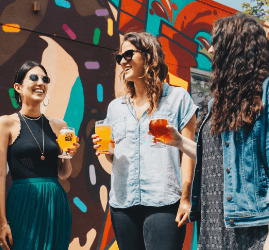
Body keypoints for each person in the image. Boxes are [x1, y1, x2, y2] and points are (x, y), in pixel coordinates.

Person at [154, 13, 269, 250]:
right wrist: (178, 141)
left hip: (249, 230)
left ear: (235, 46)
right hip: (213, 222)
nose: (211, 50)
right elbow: (217, 160)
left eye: (216, 43)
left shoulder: (264, 94)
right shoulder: (220, 102)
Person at [92, 32, 198, 250]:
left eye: (129, 54)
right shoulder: (115, 108)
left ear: (150, 57)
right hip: (122, 205)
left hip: (164, 203)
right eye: (119, 57)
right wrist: (107, 151)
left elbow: (188, 154)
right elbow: (117, 158)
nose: (123, 61)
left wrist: (186, 199)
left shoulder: (178, 99)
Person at [0, 61, 79, 250]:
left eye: (45, 79)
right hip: (23, 201)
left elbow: (64, 173)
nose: (41, 82)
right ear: (18, 87)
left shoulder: (60, 126)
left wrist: (67, 155)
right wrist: (2, 222)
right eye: (33, 77)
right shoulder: (5, 123)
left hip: (55, 202)